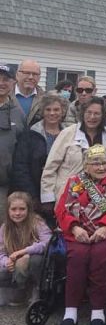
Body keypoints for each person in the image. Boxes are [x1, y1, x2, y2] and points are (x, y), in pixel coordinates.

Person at [54, 145, 106, 325]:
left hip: (105, 233)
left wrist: (105, 227)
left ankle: (97, 314)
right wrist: (74, 228)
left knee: (99, 258)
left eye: (104, 163)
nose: (101, 167)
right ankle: (70, 314)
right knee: (78, 258)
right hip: (77, 233)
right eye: (96, 163)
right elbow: (62, 210)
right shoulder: (74, 182)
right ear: (86, 166)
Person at [41, 96, 106, 214]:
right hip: (68, 196)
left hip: (98, 200)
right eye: (89, 112)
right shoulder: (68, 133)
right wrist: (48, 199)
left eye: (97, 113)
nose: (92, 117)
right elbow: (51, 167)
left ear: (103, 115)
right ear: (83, 113)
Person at [12, 93, 68, 209]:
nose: (52, 113)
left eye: (56, 109)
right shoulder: (30, 135)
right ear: (42, 111)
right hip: (35, 193)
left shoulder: (69, 134)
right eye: (48, 109)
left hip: (64, 191)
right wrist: (33, 196)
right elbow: (21, 167)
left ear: (63, 111)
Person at [0, 192, 51, 306]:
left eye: (22, 209)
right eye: (13, 209)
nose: (17, 213)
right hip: (15, 266)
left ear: (28, 209)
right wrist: (6, 262)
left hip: (34, 263)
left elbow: (47, 242)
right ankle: (20, 289)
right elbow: (1, 252)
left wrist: (25, 252)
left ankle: (36, 289)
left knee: (31, 260)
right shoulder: (5, 228)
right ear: (8, 211)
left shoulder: (37, 222)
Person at [0, 64, 27, 221]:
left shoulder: (18, 113)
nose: (1, 83)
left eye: (6, 79)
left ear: (13, 83)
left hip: (5, 186)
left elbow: (22, 151)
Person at [12, 59, 44, 127]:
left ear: (39, 77)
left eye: (35, 74)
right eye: (26, 73)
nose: (30, 77)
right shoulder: (4, 96)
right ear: (17, 75)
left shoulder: (45, 100)